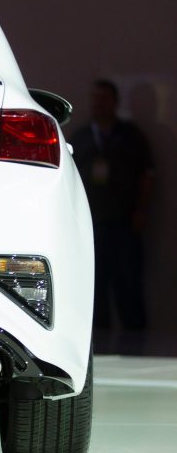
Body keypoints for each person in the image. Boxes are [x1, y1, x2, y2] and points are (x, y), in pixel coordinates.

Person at [70, 79, 154, 354]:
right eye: (95, 98)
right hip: (91, 224)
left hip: (125, 221)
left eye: (105, 98)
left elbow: (147, 175)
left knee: (128, 280)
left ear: (115, 102)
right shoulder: (80, 137)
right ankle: (99, 340)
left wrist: (141, 210)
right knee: (96, 282)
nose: (99, 103)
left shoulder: (131, 136)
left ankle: (137, 340)